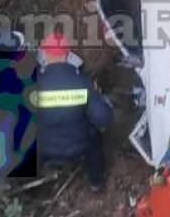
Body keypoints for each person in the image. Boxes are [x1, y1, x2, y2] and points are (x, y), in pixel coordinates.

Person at [24, 32, 113, 191]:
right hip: (79, 147)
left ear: (44, 54)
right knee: (95, 136)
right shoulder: (82, 83)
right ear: (67, 54)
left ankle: (31, 189)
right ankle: (96, 182)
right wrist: (98, 96)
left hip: (44, 149)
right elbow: (103, 119)